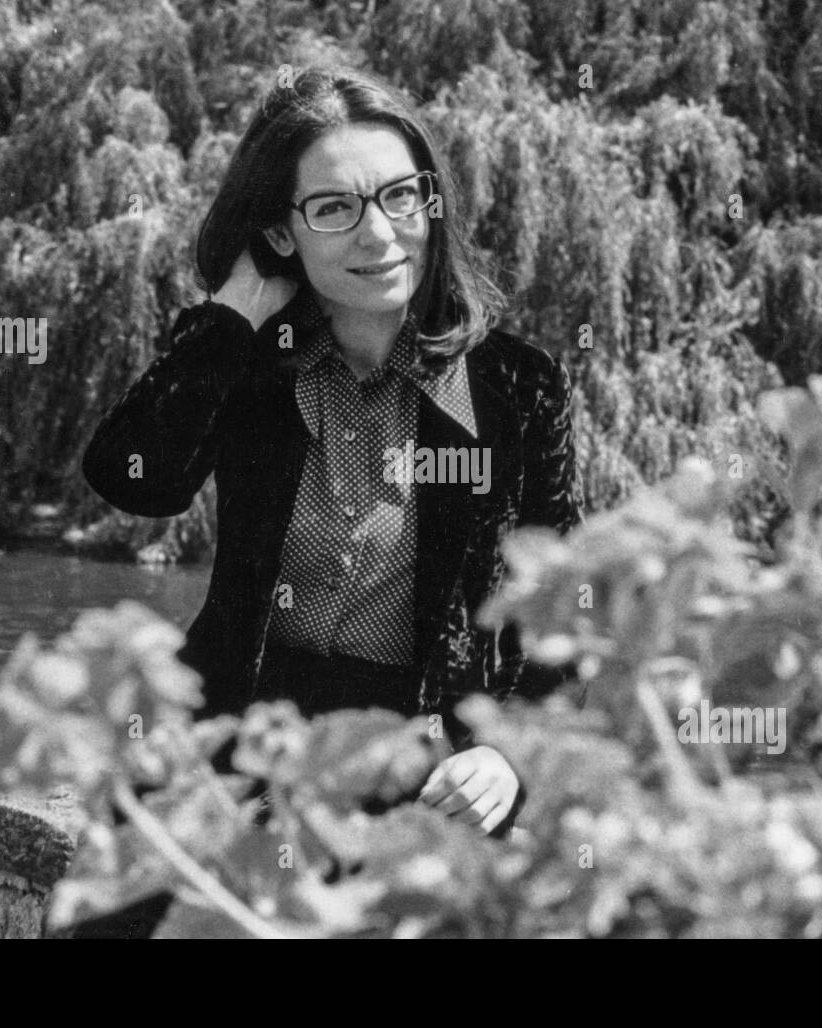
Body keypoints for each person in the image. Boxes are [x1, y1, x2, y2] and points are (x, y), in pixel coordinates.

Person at [81, 65, 581, 845]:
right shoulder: (247, 363)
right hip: (235, 737)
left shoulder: (517, 387)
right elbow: (132, 477)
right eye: (334, 208)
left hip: (420, 756)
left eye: (399, 196)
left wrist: (510, 755)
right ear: (281, 231)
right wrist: (232, 313)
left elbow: (563, 610)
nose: (379, 234)